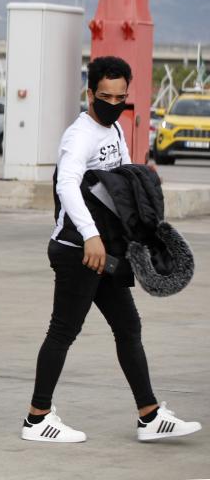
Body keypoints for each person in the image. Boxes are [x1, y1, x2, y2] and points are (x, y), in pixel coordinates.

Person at [21, 56, 202, 443]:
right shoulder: (79, 135)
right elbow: (67, 185)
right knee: (63, 330)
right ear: (90, 93)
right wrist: (90, 235)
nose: (113, 103)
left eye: (121, 97)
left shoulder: (115, 129)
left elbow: (117, 180)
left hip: (107, 250)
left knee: (128, 327)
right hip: (78, 249)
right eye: (106, 96)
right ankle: (37, 419)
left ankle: (149, 415)